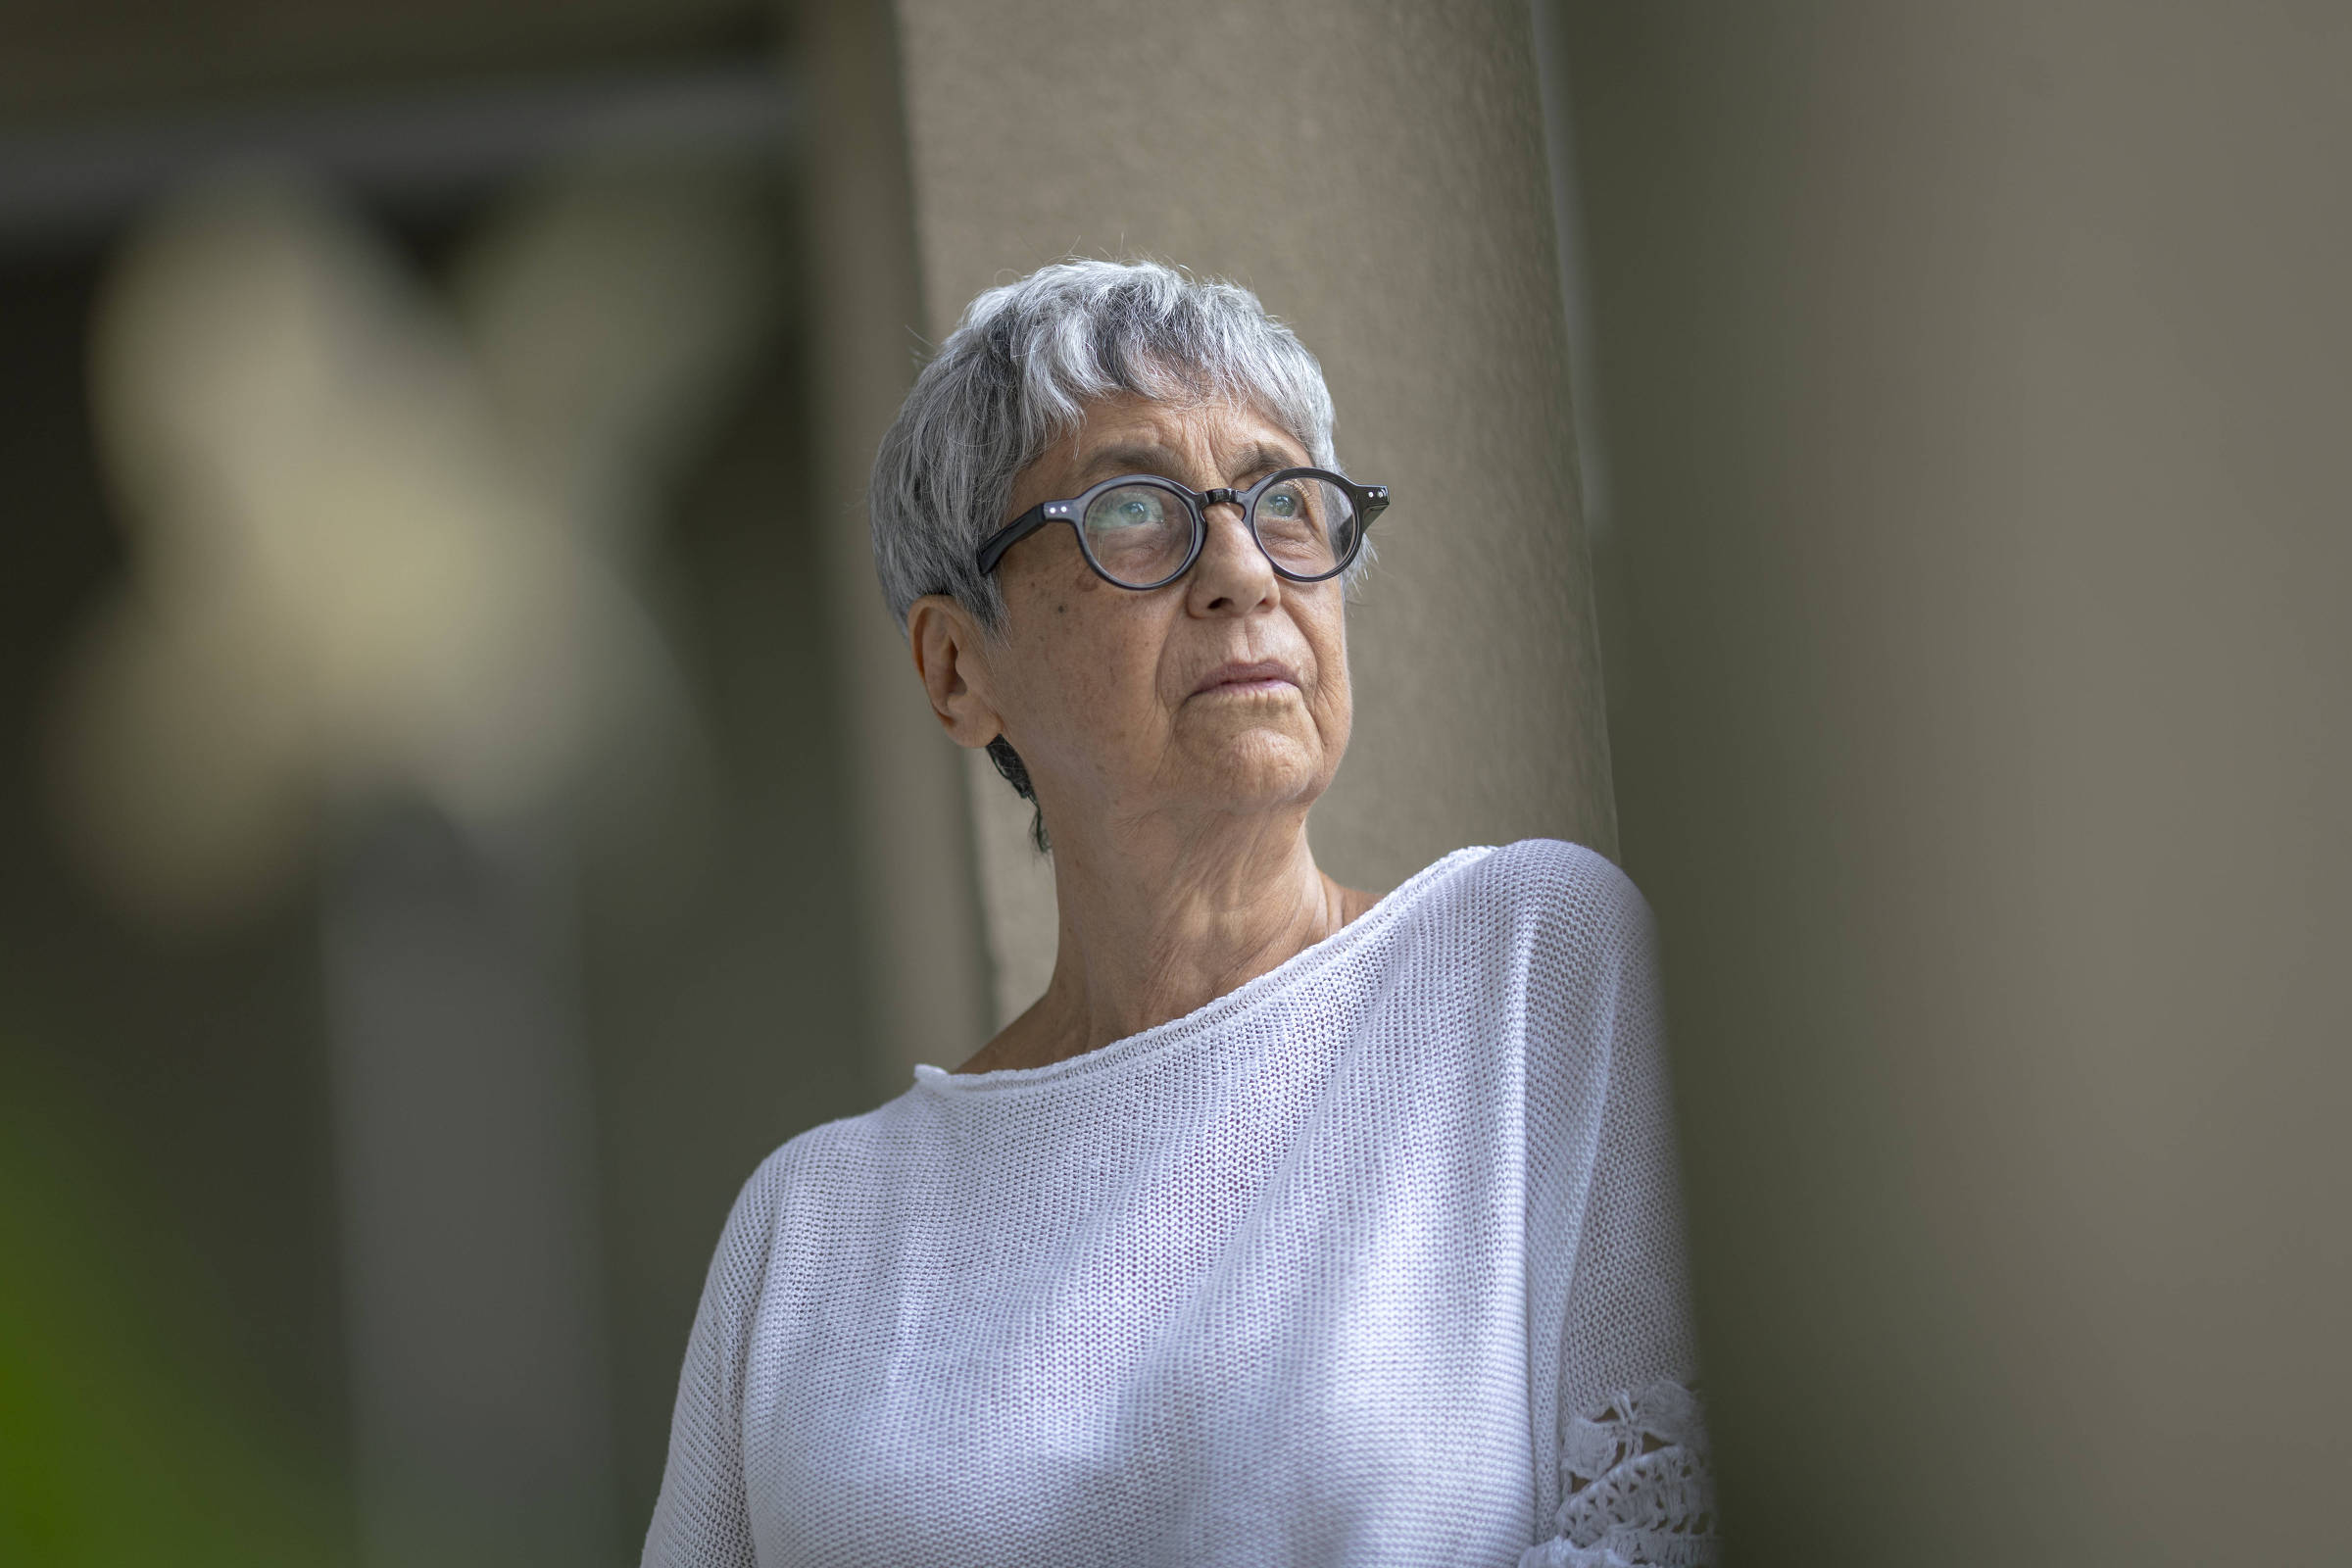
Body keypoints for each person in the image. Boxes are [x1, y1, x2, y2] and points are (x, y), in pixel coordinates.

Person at [642, 259, 1714, 1567]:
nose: (1243, 570)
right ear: (958, 666)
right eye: (1135, 510)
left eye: (1284, 500)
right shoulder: (811, 1230)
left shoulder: (1528, 972)